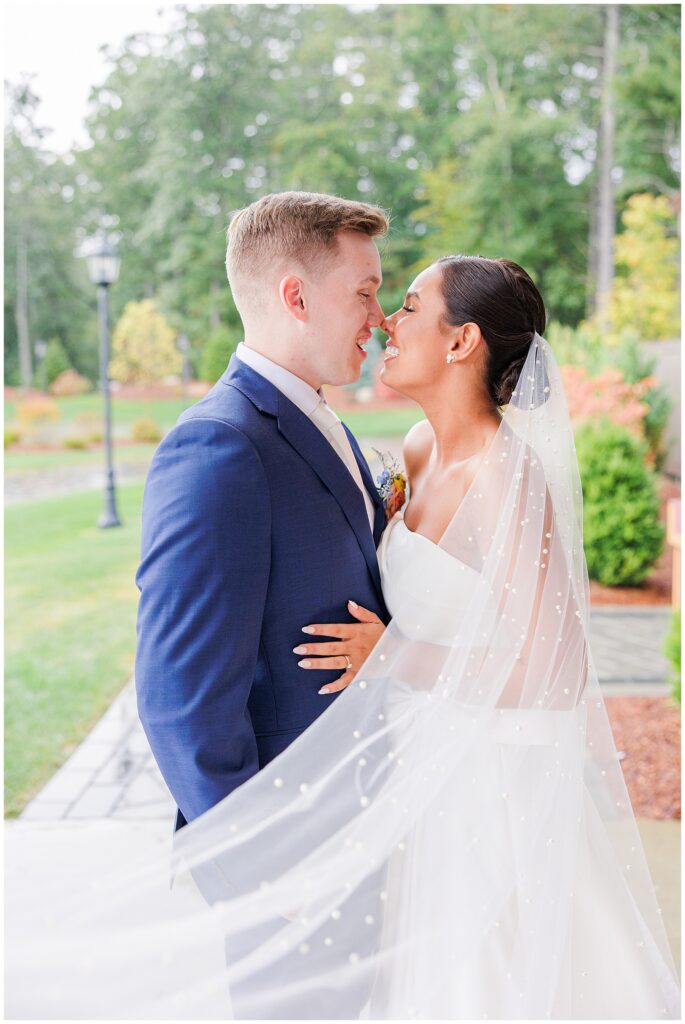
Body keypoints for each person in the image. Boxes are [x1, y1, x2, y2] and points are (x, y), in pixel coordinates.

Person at [10, 253, 679, 1020]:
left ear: (460, 342)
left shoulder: (507, 477)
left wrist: (387, 657)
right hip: (415, 769)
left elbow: (556, 672)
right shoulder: (418, 453)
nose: (386, 319)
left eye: (407, 304)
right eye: (379, 297)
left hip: (492, 783)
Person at [135, 191, 390, 835]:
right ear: (296, 298)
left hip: (368, 816)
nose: (380, 317)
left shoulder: (317, 416)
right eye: (364, 293)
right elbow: (179, 701)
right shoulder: (220, 445)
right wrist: (256, 871)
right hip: (294, 851)